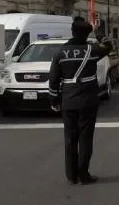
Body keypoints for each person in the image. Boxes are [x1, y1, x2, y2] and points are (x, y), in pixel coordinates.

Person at [48, 17, 112, 185]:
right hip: (88, 101)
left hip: (68, 100)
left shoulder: (60, 53)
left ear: (72, 32)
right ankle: (84, 174)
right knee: (85, 138)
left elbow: (53, 79)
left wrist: (54, 99)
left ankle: (71, 175)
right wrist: (98, 33)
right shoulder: (92, 50)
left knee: (70, 139)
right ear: (86, 34)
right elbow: (108, 46)